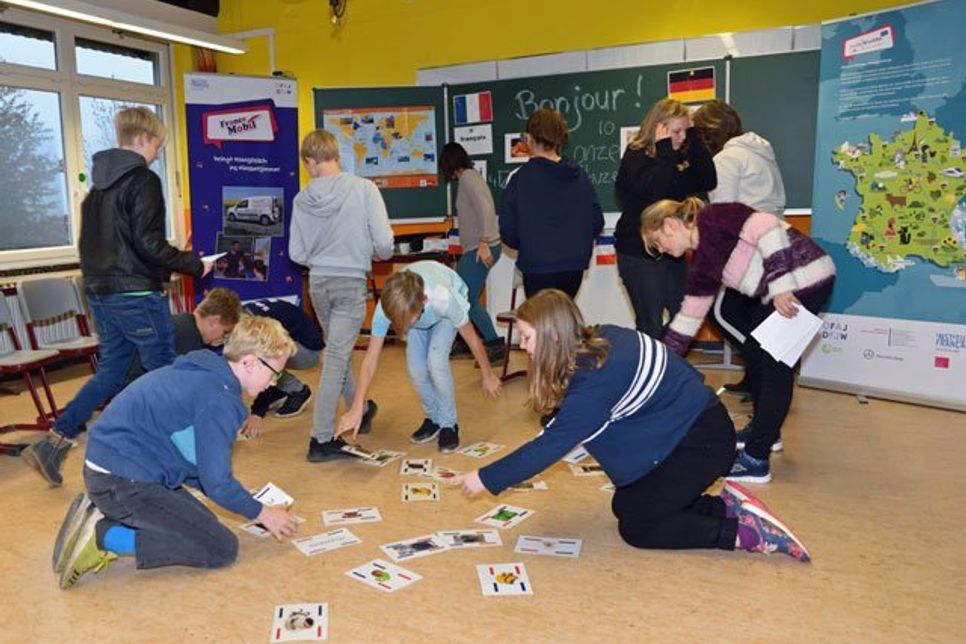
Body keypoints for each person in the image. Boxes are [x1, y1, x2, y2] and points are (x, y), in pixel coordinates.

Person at [448, 290, 809, 562]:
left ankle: (741, 533)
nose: (524, 347)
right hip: (699, 428)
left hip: (702, 443)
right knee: (627, 504)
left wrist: (484, 477)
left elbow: (551, 445)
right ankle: (725, 507)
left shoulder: (593, 379)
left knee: (638, 528)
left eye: (526, 337)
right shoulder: (600, 338)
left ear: (553, 335)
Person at [22, 107, 211, 487]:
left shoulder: (96, 191)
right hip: (137, 296)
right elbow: (148, 243)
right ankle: (184, 467)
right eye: (158, 144)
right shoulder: (143, 181)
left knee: (110, 372)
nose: (158, 152)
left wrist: (163, 267)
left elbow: (116, 248)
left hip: (101, 294)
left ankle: (54, 442)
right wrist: (192, 264)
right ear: (142, 139)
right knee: (164, 375)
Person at [52, 315, 300, 590]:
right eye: (274, 372)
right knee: (220, 547)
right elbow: (216, 482)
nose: (274, 382)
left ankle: (99, 513)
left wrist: (244, 500)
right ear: (250, 362)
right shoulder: (221, 401)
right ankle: (103, 537)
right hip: (122, 481)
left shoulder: (206, 372)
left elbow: (196, 464)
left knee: (204, 524)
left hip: (113, 468)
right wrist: (262, 513)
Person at [641, 198, 836, 483]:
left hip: (805, 281)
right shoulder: (702, 263)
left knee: (774, 365)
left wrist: (781, 286)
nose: (662, 251)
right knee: (757, 355)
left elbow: (768, 227)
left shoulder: (715, 217)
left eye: (657, 242)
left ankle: (756, 460)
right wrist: (660, 362)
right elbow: (688, 318)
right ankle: (765, 432)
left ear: (670, 225)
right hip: (786, 291)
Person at [289, 128, 394, 462]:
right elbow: (385, 243)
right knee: (336, 357)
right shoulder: (363, 189)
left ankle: (357, 407)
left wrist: (322, 258)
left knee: (339, 350)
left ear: (309, 161)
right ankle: (320, 439)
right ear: (336, 155)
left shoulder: (301, 199)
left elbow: (297, 253)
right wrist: (372, 252)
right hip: (349, 281)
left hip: (318, 281)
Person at [336, 261, 503, 453]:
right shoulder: (388, 307)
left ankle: (448, 424)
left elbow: (473, 339)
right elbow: (370, 360)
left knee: (436, 362)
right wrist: (357, 406)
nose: (403, 324)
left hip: (444, 317)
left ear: (423, 301)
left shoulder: (443, 298)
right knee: (415, 369)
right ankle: (434, 419)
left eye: (407, 319)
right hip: (419, 316)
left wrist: (488, 374)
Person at [692, 99, 787, 401]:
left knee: (721, 314)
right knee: (752, 317)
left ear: (708, 134)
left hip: (748, 247)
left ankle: (762, 372)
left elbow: (722, 214)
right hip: (772, 243)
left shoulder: (726, 160)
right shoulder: (761, 153)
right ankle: (755, 377)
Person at [614, 98, 716, 338]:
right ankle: (652, 372)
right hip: (639, 252)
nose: (682, 137)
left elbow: (708, 179)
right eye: (677, 131)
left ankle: (671, 368)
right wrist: (664, 151)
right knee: (651, 322)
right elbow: (655, 193)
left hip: (673, 251)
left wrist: (694, 136)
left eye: (685, 131)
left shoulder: (676, 155)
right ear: (659, 129)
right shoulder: (636, 155)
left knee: (683, 315)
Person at [499, 108, 604, 299]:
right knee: (563, 319)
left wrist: (527, 244)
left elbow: (508, 230)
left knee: (541, 323)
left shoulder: (519, 179)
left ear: (528, 138)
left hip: (537, 265)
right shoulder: (580, 176)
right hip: (573, 266)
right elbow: (597, 221)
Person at [439, 142, 506, 365]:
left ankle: (495, 346)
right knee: (462, 297)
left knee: (464, 299)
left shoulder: (468, 177)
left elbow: (486, 207)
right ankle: (466, 343)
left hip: (482, 247)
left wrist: (484, 241)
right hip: (476, 247)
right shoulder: (469, 177)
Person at [241, 297, 325, 437]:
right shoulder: (246, 313)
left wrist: (257, 412)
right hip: (296, 340)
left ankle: (298, 391)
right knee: (251, 358)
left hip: (309, 352)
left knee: (258, 361)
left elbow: (268, 365)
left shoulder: (257, 327)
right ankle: (279, 391)